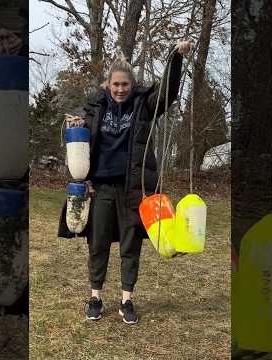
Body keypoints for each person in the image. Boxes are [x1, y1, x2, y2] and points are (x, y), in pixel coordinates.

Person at [58, 40, 193, 325]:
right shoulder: (94, 108)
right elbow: (80, 126)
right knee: (98, 243)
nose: (120, 89)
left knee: (131, 245)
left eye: (125, 85)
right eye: (116, 84)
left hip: (133, 188)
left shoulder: (144, 105)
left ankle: (126, 301)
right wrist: (76, 124)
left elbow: (167, 93)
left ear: (132, 85)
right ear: (108, 84)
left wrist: (176, 59)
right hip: (101, 189)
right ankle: (95, 296)